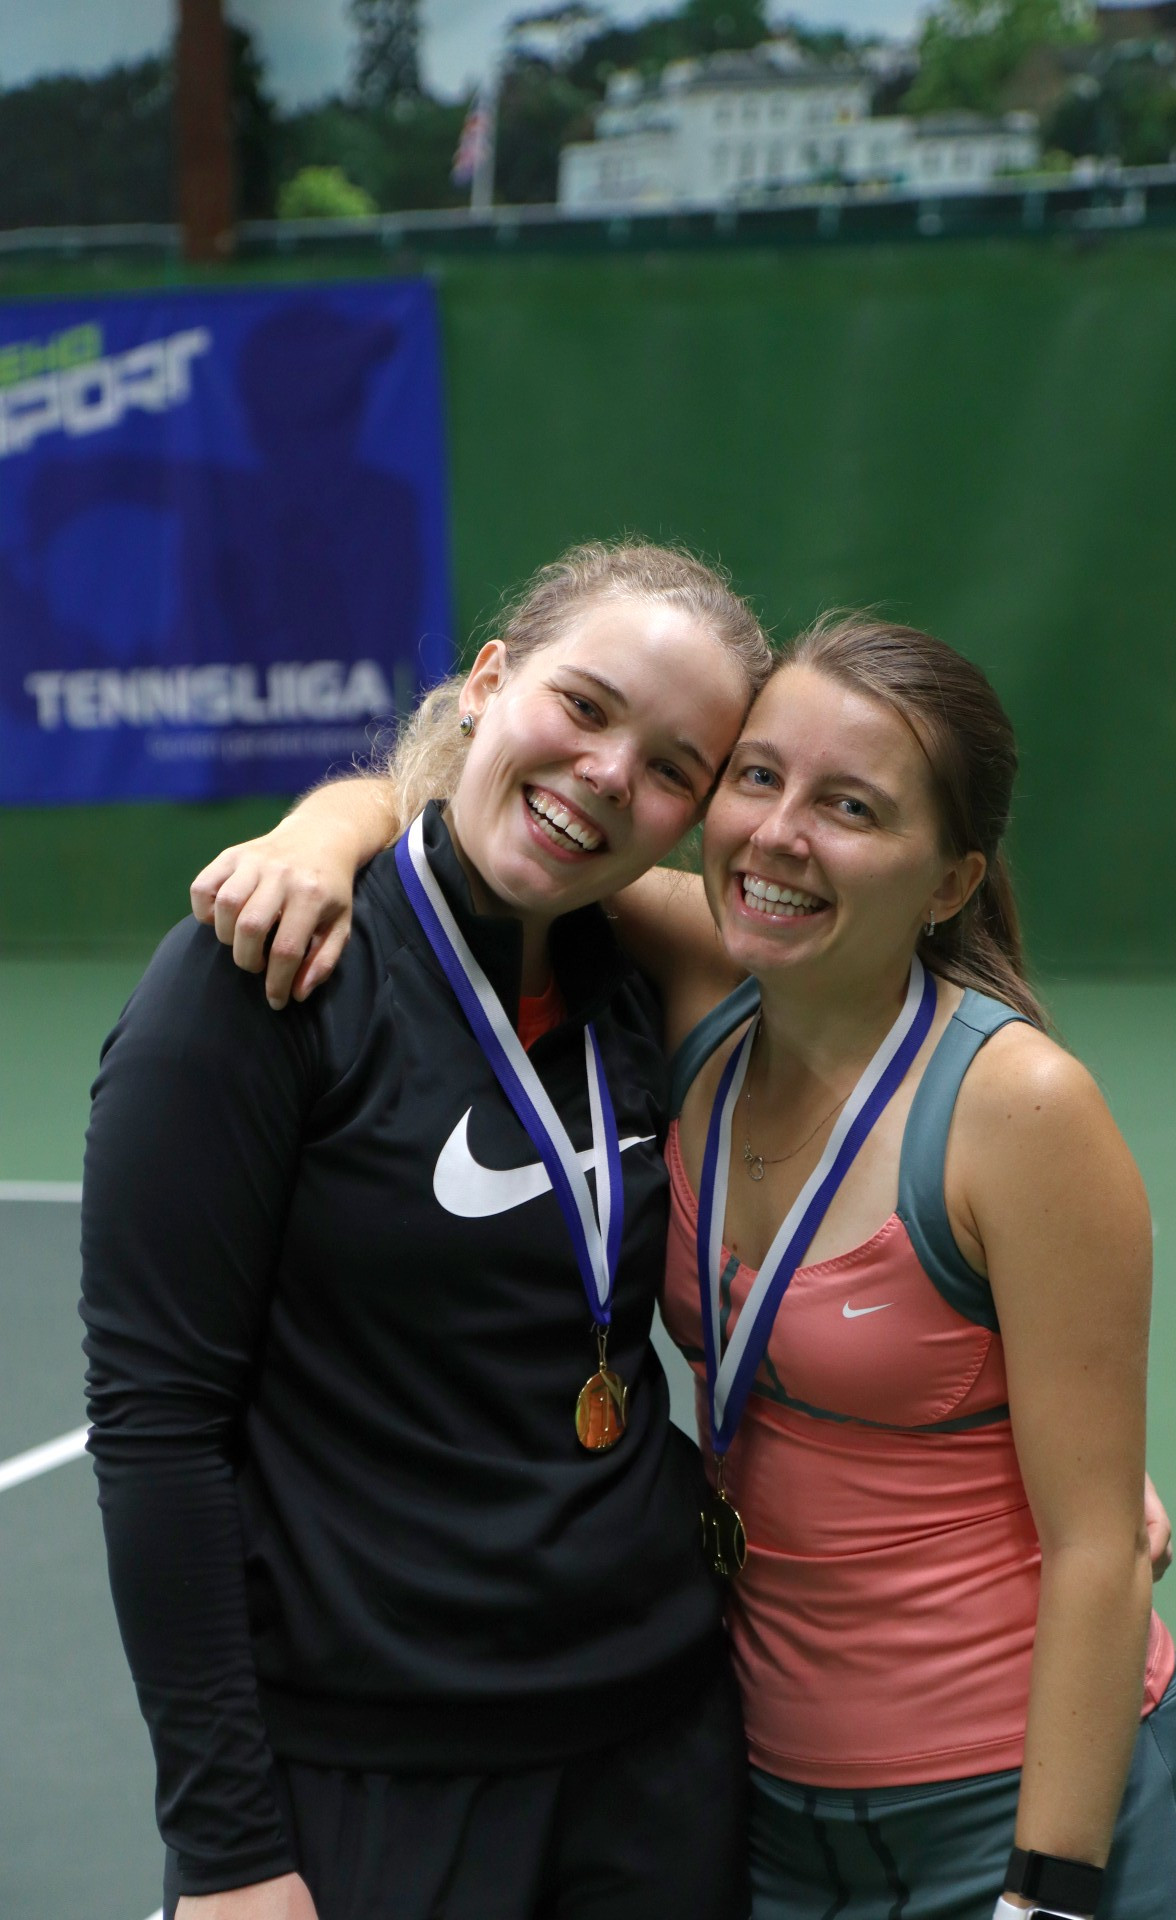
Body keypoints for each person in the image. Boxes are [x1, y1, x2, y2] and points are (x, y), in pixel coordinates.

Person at [190, 620, 1176, 1920]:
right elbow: (443, 812)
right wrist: (311, 842)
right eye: (756, 777)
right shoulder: (698, 982)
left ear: (951, 881)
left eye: (850, 805)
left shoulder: (1019, 1105)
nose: (781, 835)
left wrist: (1050, 1896)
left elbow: (1098, 1549)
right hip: (775, 1808)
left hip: (1010, 1803)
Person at [80, 541, 774, 1920]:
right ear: (488, 682)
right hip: (376, 1786)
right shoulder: (264, 980)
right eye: (583, 706)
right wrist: (227, 1855)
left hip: (657, 1757)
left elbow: (918, 1040)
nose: (604, 775)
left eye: (670, 766)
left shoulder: (645, 978)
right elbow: (158, 1429)